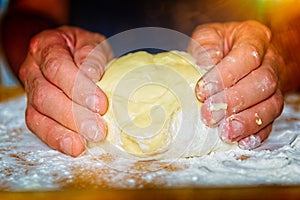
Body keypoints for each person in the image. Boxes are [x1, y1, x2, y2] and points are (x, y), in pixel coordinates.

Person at [1, 0, 300, 157]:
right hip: (89, 69)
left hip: (235, 69)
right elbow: (28, 11)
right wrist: (45, 54)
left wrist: (277, 56)